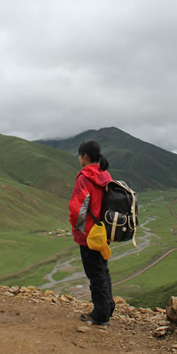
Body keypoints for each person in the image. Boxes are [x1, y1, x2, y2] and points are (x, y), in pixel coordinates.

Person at [68, 140, 115, 326]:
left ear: (85, 156)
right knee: (102, 270)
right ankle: (108, 306)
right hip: (104, 232)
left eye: (80, 155)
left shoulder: (85, 178)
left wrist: (75, 226)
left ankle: (100, 315)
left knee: (95, 274)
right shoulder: (105, 175)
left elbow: (77, 210)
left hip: (89, 235)